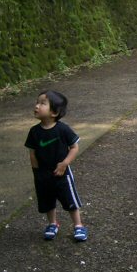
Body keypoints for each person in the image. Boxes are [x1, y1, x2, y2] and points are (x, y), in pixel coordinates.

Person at [25, 90, 88, 241]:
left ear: (54, 112)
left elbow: (74, 147)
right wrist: (36, 173)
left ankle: (78, 225)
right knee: (47, 201)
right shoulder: (34, 132)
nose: (37, 106)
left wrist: (65, 163)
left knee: (70, 200)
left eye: (42, 103)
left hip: (62, 174)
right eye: (37, 102)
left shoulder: (63, 129)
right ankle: (52, 224)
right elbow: (32, 153)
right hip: (43, 174)